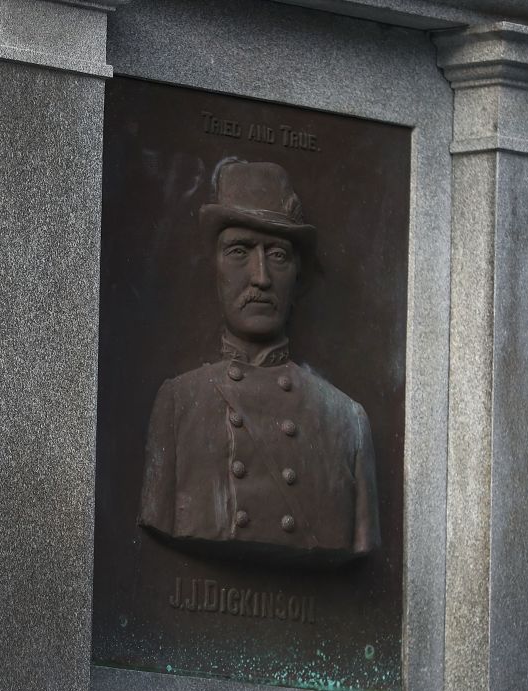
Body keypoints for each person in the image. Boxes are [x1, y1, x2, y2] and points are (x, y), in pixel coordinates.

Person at [138, 160, 379, 566]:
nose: (261, 277)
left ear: (298, 277)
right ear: (214, 268)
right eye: (239, 252)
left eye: (279, 255)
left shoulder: (347, 422)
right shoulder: (178, 405)